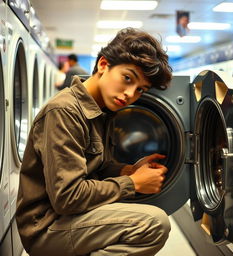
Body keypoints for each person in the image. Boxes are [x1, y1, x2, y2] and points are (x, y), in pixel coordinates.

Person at [16, 27, 173, 256]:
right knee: (153, 223)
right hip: (46, 226)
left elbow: (96, 169)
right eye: (127, 78)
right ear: (102, 65)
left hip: (70, 218)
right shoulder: (64, 111)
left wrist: (129, 170)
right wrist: (132, 183)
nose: (130, 94)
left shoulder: (102, 111)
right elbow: (67, 198)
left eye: (140, 89)